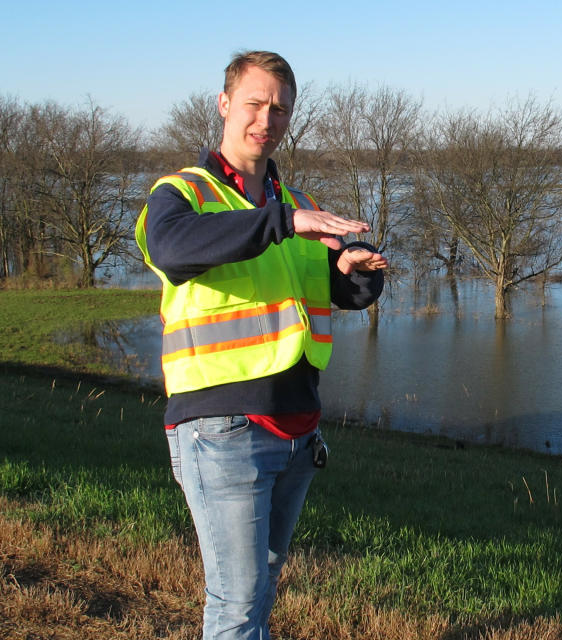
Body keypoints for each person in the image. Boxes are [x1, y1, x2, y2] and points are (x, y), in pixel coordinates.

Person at [135, 50, 387, 639]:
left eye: (279, 109)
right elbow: (170, 248)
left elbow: (321, 294)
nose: (266, 120)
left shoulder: (298, 204)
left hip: (298, 428)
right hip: (222, 428)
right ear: (224, 104)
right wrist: (279, 221)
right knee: (237, 605)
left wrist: (357, 275)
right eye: (254, 103)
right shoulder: (181, 195)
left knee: (259, 594)